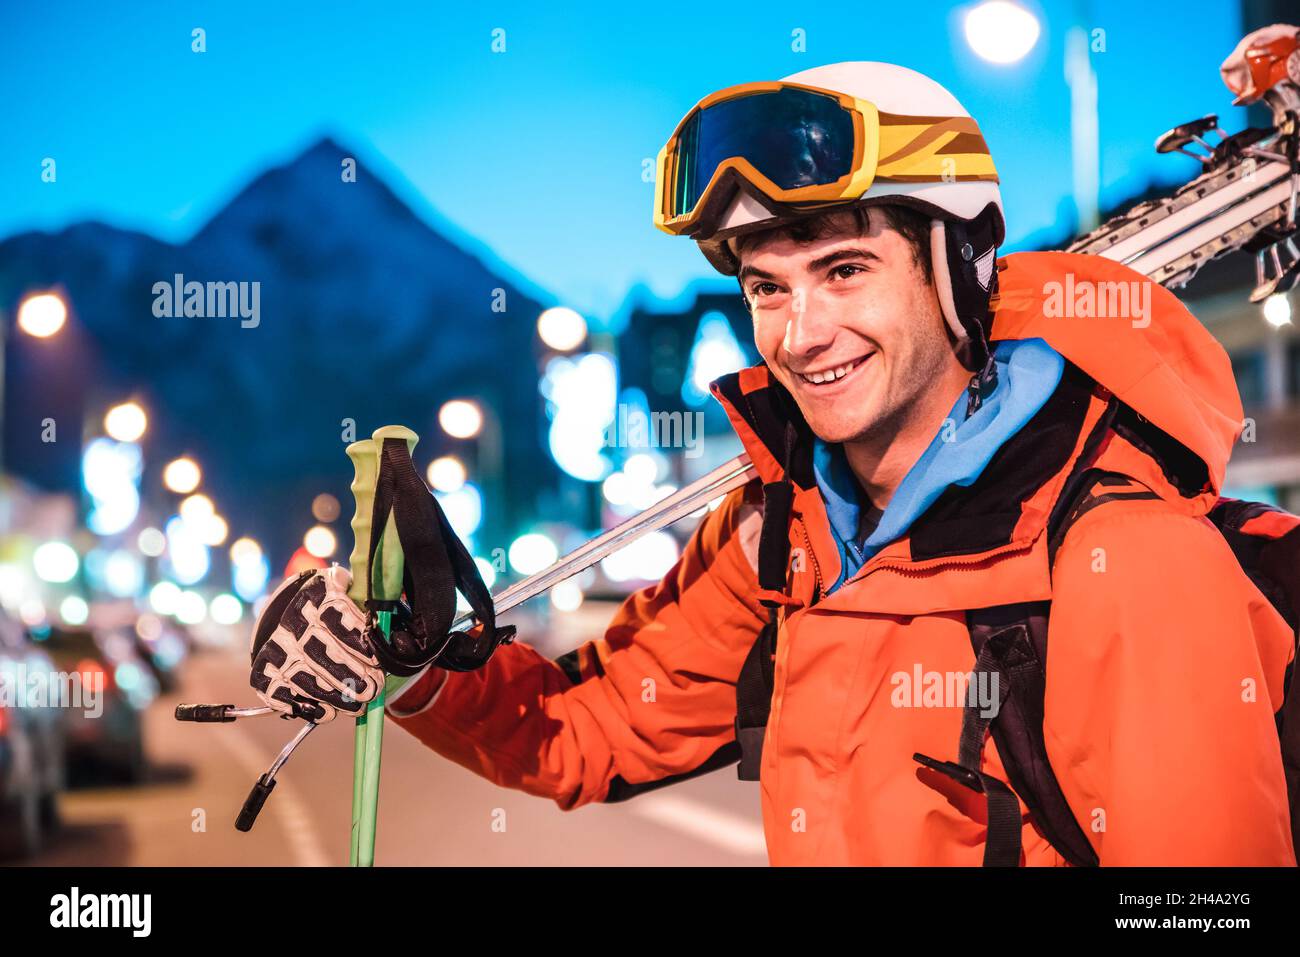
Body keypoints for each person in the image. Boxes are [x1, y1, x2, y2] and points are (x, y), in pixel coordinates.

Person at [249, 62, 1296, 865]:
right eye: (766, 288)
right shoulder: (781, 534)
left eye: (844, 270)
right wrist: (419, 660)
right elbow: (587, 730)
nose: (799, 333)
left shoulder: (1127, 562)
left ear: (960, 268)